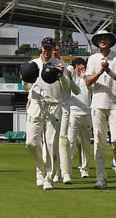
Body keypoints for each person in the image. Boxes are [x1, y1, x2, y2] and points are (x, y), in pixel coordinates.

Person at [21, 37, 71, 190]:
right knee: (31, 142)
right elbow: (26, 88)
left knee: (50, 144)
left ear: (53, 49)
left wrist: (61, 74)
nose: (47, 50)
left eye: (50, 48)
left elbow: (67, 87)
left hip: (54, 106)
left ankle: (48, 177)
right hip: (36, 105)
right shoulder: (33, 64)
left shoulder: (59, 65)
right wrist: (24, 79)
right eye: (45, 47)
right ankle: (41, 170)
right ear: (41, 48)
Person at [86, 29, 116, 188]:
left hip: (115, 104)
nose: (102, 40)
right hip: (97, 104)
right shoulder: (92, 58)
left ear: (110, 41)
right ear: (97, 42)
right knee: (99, 143)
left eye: (105, 38)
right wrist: (100, 71)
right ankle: (100, 177)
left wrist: (108, 70)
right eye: (100, 38)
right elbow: (88, 81)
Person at [60, 57, 92, 181]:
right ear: (76, 66)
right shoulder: (69, 78)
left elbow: (91, 91)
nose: (83, 67)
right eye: (81, 65)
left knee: (86, 145)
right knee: (71, 142)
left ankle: (84, 169)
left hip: (86, 114)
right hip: (73, 113)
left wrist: (84, 77)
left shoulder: (86, 78)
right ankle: (67, 169)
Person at [54, 41, 79, 183]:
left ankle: (66, 173)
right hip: (51, 109)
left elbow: (76, 90)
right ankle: (55, 172)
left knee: (63, 139)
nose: (55, 53)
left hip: (64, 108)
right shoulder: (46, 67)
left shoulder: (68, 67)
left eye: (57, 50)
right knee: (52, 141)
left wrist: (69, 77)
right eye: (52, 50)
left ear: (61, 51)